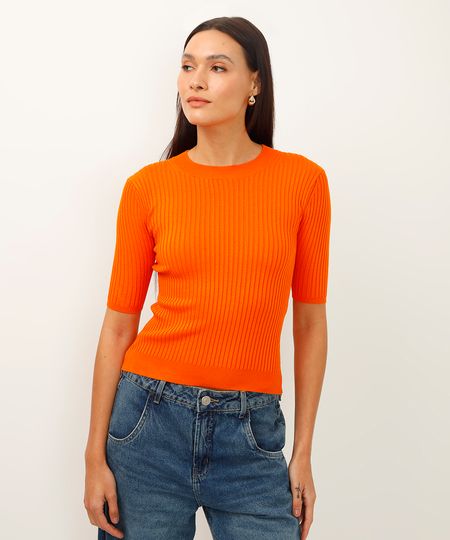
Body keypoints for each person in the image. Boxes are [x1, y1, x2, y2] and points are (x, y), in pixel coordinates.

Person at [84, 16, 331, 540]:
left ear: (254, 83)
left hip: (252, 432)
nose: (195, 81)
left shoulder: (303, 183)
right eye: (187, 66)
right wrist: (93, 457)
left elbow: (310, 323)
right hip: (146, 424)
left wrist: (303, 452)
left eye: (217, 68)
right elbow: (118, 327)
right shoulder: (148, 188)